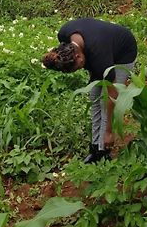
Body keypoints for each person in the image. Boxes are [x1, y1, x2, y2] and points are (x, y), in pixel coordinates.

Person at [42, 18, 137, 163]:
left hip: (123, 51)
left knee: (105, 104)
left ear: (79, 55)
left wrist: (108, 131)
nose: (82, 68)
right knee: (95, 97)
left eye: (80, 66)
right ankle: (95, 149)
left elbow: (112, 95)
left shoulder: (100, 55)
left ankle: (104, 150)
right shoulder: (64, 35)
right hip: (100, 48)